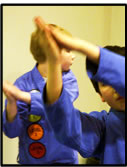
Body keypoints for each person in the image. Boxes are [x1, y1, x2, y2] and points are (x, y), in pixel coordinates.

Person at [34, 16, 125, 165]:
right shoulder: (103, 126)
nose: (115, 87)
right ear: (100, 95)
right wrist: (54, 64)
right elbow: (66, 122)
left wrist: (80, 46)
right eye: (106, 83)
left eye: (116, 77)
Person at [3, 21, 79, 164]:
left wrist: (23, 97)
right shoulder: (22, 84)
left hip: (65, 160)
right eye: (68, 50)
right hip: (32, 160)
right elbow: (12, 132)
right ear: (51, 52)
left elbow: (60, 104)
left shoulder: (68, 79)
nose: (73, 56)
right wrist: (12, 103)